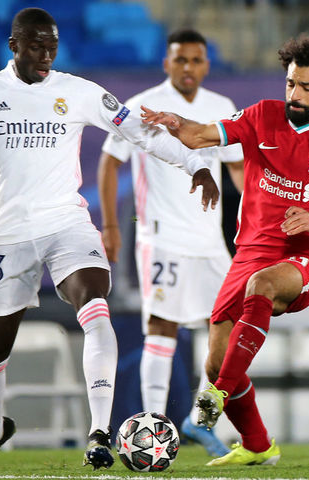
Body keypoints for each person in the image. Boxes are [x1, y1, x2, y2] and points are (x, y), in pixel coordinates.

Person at [0, 8, 219, 471]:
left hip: (67, 223)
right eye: (35, 46)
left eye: (51, 46)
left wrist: (196, 164)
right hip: (8, 236)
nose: (46, 55)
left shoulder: (79, 92)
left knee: (95, 308)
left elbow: (143, 133)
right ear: (14, 47)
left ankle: (99, 433)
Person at [140, 36, 309, 466]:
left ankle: (213, 401)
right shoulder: (262, 116)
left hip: (307, 257)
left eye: (305, 87)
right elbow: (202, 135)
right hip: (249, 252)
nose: (294, 95)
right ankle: (259, 445)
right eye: (290, 84)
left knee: (260, 289)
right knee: (216, 361)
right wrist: (175, 122)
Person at [97, 28, 243, 458]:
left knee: (231, 326)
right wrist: (111, 227)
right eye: (180, 60)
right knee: (163, 327)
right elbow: (109, 162)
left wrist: (258, 217)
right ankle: (152, 425)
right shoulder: (144, 106)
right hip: (161, 236)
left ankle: (197, 421)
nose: (188, 68)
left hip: (210, 240)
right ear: (167, 64)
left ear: (206, 65)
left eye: (196, 60)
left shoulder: (222, 108)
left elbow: (237, 169)